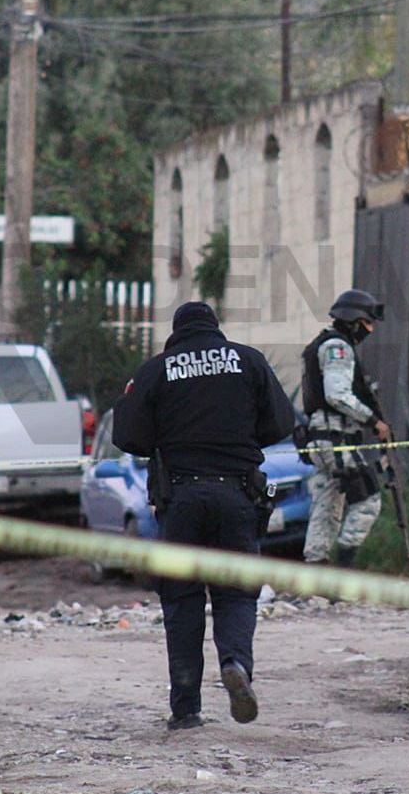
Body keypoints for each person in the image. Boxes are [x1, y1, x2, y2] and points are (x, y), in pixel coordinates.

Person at [113, 301, 295, 731]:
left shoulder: (156, 370)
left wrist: (165, 432)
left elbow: (128, 436)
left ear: (176, 331)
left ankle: (186, 709)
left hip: (181, 500)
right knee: (237, 593)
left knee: (182, 602)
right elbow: (280, 423)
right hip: (237, 495)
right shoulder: (248, 361)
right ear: (216, 328)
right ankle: (235, 663)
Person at [299, 289, 392, 568]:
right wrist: (374, 421)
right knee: (368, 501)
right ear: (353, 320)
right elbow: (336, 395)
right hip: (336, 439)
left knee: (327, 506)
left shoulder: (324, 343)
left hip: (322, 439)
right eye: (368, 323)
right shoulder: (338, 347)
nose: (371, 330)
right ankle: (343, 570)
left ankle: (316, 569)